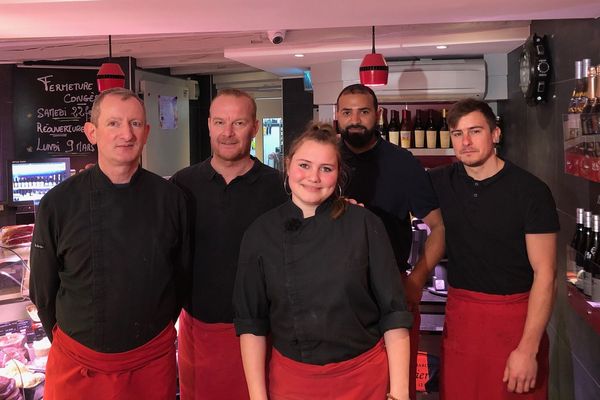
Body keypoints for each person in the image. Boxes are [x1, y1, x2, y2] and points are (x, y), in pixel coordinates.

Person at [29, 87, 190, 400]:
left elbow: (181, 278)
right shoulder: (58, 204)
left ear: (146, 133)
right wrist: (75, 344)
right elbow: (43, 292)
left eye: (134, 124)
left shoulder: (171, 199)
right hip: (78, 364)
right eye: (114, 123)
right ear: (92, 132)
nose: (126, 134)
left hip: (150, 362)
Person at [234, 123, 412, 400]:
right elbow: (251, 325)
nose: (313, 178)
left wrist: (399, 395)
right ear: (288, 165)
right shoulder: (260, 233)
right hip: (293, 384)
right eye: (304, 165)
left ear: (338, 174)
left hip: (361, 380)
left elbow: (394, 314)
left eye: (326, 169)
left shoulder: (364, 224)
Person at [428, 98, 559, 399]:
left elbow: (546, 274)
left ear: (496, 134)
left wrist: (528, 349)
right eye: (458, 134)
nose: (466, 142)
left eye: (475, 131)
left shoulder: (531, 191)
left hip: (515, 321)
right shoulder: (439, 182)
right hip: (462, 319)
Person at [170, 89, 288, 399]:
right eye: (220, 122)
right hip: (199, 330)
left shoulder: (280, 188)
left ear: (255, 127)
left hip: (264, 330)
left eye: (238, 122)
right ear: (208, 124)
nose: (228, 132)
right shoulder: (182, 185)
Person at [336, 83, 445, 399]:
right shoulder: (325, 161)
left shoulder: (403, 162)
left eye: (364, 111)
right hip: (333, 291)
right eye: (347, 112)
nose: (355, 119)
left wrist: (417, 279)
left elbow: (438, 227)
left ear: (378, 115)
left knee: (394, 385)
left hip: (390, 287)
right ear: (337, 116)